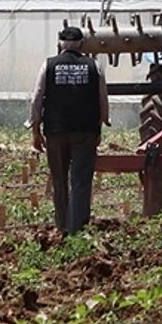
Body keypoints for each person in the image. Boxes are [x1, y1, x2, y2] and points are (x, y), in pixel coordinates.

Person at [27, 26, 109, 235]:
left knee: (60, 180)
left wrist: (35, 130)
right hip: (85, 132)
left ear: (59, 44)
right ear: (82, 45)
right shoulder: (94, 66)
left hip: (56, 132)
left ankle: (62, 225)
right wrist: (101, 125)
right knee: (81, 180)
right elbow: (102, 100)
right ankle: (78, 228)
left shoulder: (49, 65)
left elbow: (37, 98)